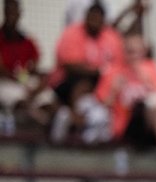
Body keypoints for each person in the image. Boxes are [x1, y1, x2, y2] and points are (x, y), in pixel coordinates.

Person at [95, 32, 156, 173]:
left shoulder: (150, 67)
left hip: (154, 118)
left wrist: (148, 81)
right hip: (130, 121)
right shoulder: (113, 71)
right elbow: (102, 105)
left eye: (138, 51)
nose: (134, 55)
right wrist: (114, 90)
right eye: (130, 51)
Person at [48, 2, 124, 144]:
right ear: (86, 17)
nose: (94, 21)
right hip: (67, 81)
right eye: (91, 17)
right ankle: (76, 119)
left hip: (101, 86)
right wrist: (97, 70)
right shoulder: (72, 32)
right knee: (82, 82)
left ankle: (80, 121)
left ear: (103, 20)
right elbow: (69, 64)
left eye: (98, 18)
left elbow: (117, 67)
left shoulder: (112, 37)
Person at [0, 0, 53, 132]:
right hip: (6, 82)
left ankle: (48, 123)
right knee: (18, 100)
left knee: (49, 100)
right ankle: (37, 118)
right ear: (4, 12)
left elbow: (34, 64)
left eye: (14, 12)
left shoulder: (26, 39)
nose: (12, 16)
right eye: (9, 12)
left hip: (25, 81)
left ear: (19, 14)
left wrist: (36, 83)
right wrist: (18, 79)